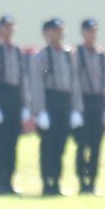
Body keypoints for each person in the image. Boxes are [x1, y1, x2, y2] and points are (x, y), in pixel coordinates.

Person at [30, 18, 82, 197]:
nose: (59, 34)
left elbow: (74, 82)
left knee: (61, 144)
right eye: (55, 30)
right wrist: (40, 111)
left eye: (60, 30)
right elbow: (38, 84)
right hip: (49, 101)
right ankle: (47, 181)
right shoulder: (42, 56)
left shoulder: (69, 54)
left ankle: (57, 180)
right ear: (47, 33)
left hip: (64, 101)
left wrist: (76, 108)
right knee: (48, 145)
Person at [0, 14, 29, 195]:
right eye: (6, 27)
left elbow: (23, 79)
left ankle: (9, 179)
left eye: (11, 27)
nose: (9, 30)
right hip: (1, 98)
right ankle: (0, 180)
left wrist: (26, 104)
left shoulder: (18, 52)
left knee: (12, 141)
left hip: (15, 100)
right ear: (0, 30)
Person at [72, 18, 105, 195]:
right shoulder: (75, 54)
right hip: (83, 102)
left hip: (98, 101)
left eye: (94, 31)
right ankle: (82, 180)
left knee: (96, 144)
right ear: (82, 33)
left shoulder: (102, 54)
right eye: (88, 31)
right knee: (82, 144)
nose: (92, 34)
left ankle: (93, 180)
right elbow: (73, 81)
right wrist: (75, 108)